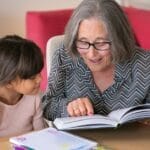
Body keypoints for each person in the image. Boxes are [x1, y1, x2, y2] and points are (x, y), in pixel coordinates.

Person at [42, 0, 150, 121]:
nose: (92, 54)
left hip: (131, 140)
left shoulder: (145, 64)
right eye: (83, 42)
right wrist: (68, 107)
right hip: (78, 139)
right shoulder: (64, 57)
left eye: (101, 43)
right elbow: (47, 105)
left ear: (119, 39)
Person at [0, 35, 47, 137]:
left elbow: (42, 135)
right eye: (32, 77)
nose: (40, 79)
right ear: (9, 82)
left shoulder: (34, 97)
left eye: (39, 73)